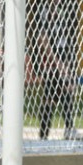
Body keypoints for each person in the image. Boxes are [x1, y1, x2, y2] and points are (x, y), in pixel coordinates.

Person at [28, 0, 81, 141]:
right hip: (49, 59)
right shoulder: (42, 12)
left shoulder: (63, 10)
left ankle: (46, 133)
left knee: (53, 95)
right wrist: (59, 64)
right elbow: (42, 41)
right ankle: (64, 129)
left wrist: (68, 63)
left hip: (63, 57)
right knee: (60, 88)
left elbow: (68, 40)